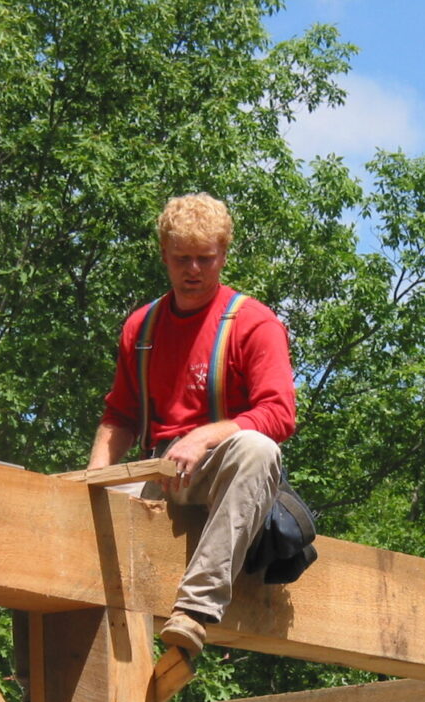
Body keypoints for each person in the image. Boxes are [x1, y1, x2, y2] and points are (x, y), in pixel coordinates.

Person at [88, 193, 296, 657]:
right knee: (58, 515)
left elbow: (279, 414)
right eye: (182, 258)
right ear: (164, 254)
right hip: (157, 473)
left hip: (220, 473)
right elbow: (120, 414)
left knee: (259, 449)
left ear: (223, 254)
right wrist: (93, 479)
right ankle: (30, 683)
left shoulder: (252, 322)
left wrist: (203, 435)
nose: (194, 270)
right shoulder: (141, 328)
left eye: (206, 258)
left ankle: (196, 610)